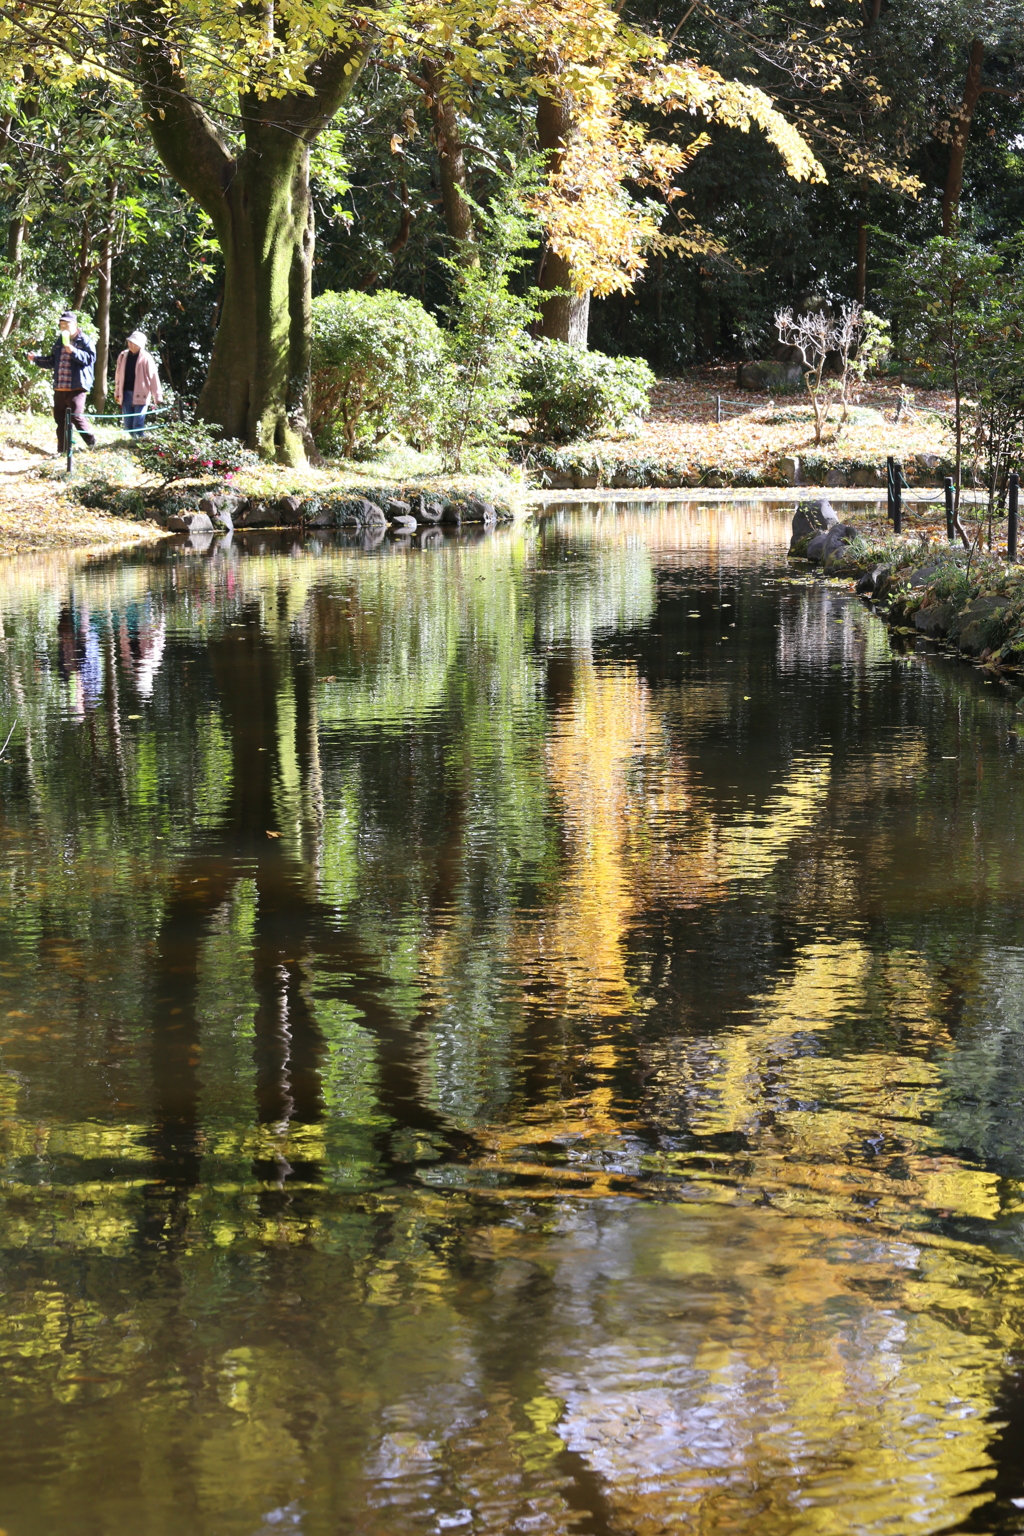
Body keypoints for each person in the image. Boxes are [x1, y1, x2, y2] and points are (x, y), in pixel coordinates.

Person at [27, 311, 96, 453]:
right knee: (60, 420)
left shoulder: (84, 340)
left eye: (67, 324)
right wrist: (35, 359)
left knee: (76, 416)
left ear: (75, 324)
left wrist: (74, 351)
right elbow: (52, 361)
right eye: (61, 325)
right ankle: (63, 451)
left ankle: (92, 444)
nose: (64, 327)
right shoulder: (60, 341)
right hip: (60, 387)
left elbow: (90, 359)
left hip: (76, 386)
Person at [114, 330, 163, 436]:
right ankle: (133, 442)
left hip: (142, 394)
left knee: (138, 424)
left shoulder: (146, 357)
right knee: (128, 425)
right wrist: (117, 391)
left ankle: (139, 442)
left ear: (139, 344)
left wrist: (157, 395)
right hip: (125, 393)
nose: (130, 344)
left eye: (133, 342)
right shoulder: (123, 356)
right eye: (129, 342)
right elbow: (118, 375)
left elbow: (153, 376)